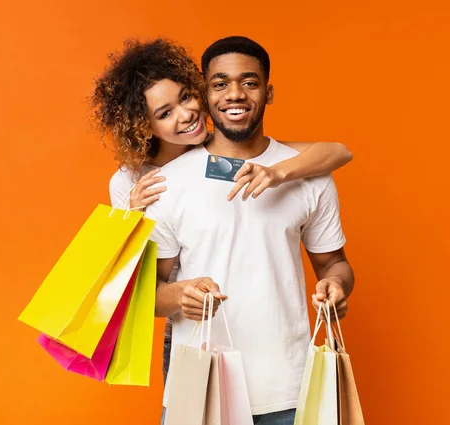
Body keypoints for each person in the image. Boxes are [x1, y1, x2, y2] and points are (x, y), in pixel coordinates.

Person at [92, 39, 353, 386]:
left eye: (186, 98)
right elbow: (138, 286)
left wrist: (279, 171)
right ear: (145, 126)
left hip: (282, 367)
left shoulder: (225, 144)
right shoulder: (136, 183)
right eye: (164, 113)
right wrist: (128, 214)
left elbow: (335, 151)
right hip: (194, 339)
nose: (184, 116)